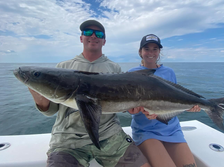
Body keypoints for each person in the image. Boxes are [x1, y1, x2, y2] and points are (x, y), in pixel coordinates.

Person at [28, 20, 151, 167]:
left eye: (98, 33)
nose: (93, 36)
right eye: (87, 32)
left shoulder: (114, 68)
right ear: (81, 38)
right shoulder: (63, 67)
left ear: (104, 41)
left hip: (110, 136)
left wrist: (133, 108)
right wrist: (38, 95)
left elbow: (121, 105)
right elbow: (51, 111)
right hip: (68, 141)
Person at [128, 34, 201, 167]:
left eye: (155, 49)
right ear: (140, 52)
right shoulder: (131, 74)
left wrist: (188, 106)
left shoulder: (169, 72)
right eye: (147, 49)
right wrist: (138, 111)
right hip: (146, 131)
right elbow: (130, 106)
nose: (151, 53)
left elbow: (176, 99)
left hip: (172, 129)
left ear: (159, 52)